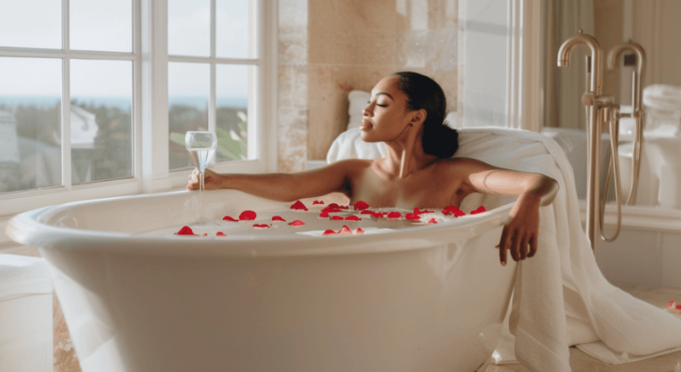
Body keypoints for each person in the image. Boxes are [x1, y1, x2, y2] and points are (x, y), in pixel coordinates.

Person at [188, 71, 558, 265]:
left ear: (416, 117)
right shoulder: (355, 171)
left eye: (380, 104)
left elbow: (540, 181)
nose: (365, 111)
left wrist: (528, 202)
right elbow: (292, 186)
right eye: (368, 102)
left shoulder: (454, 173)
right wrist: (222, 179)